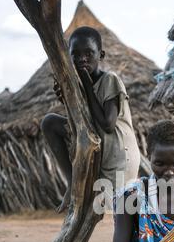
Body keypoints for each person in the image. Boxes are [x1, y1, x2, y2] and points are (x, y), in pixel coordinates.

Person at [41, 26, 140, 213]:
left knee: (121, 216)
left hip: (119, 158)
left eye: (89, 53)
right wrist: (68, 97)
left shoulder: (110, 79)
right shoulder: (77, 85)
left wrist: (85, 83)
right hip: (99, 153)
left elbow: (107, 124)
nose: (82, 59)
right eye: (75, 54)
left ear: (101, 55)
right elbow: (81, 122)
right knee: (50, 122)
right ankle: (71, 184)